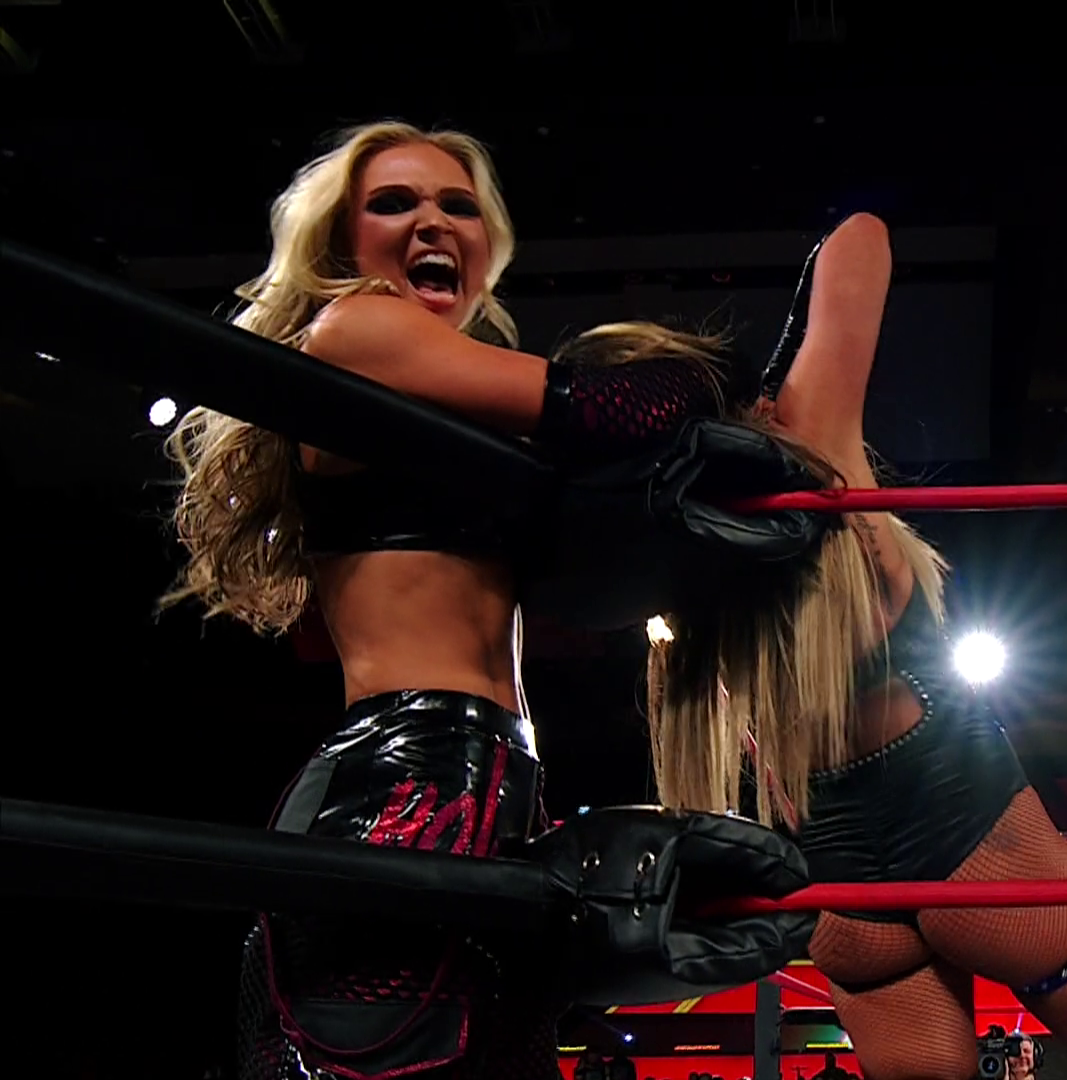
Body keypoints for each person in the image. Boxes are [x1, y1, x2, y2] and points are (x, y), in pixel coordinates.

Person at [162, 121, 806, 1079]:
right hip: (411, 777)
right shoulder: (355, 328)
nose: (432, 222)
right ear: (342, 241)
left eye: (456, 206)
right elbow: (611, 412)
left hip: (472, 775)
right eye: (395, 204)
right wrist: (704, 377)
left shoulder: (442, 398)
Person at [634, 214, 1067, 1080]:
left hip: (838, 884)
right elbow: (859, 237)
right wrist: (772, 381)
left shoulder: (650, 550)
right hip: (968, 829)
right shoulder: (811, 451)